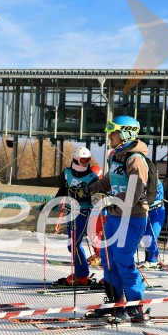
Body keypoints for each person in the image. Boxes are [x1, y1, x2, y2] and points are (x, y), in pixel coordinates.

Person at [85, 115, 150, 323]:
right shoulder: (116, 157)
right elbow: (107, 182)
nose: (109, 136)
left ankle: (135, 306)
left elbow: (134, 193)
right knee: (108, 260)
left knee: (123, 259)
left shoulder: (135, 159)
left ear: (125, 133)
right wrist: (88, 190)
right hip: (114, 215)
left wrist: (109, 200)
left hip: (132, 217)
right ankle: (115, 303)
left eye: (113, 133)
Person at [53, 147, 100, 286]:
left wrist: (85, 197)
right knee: (71, 245)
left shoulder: (92, 177)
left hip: (83, 212)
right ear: (75, 159)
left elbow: (96, 197)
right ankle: (80, 273)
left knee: (74, 245)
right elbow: (62, 189)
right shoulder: (67, 173)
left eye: (88, 160)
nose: (86, 163)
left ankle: (82, 275)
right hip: (70, 212)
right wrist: (52, 203)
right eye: (83, 160)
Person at [139, 175, 165, 268]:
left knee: (152, 236)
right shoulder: (143, 181)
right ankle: (149, 259)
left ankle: (153, 261)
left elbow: (155, 197)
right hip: (147, 212)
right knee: (146, 236)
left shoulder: (156, 182)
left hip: (157, 211)